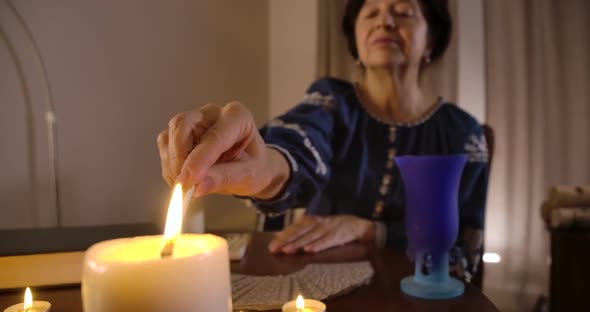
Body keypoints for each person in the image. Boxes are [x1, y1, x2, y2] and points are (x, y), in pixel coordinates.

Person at [157, 0, 488, 280]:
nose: (384, 21)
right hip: (320, 286)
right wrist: (262, 167)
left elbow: (464, 246)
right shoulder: (331, 101)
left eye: (402, 12)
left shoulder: (463, 133)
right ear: (356, 39)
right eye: (370, 13)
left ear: (431, 40)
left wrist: (369, 230)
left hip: (420, 293)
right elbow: (298, 143)